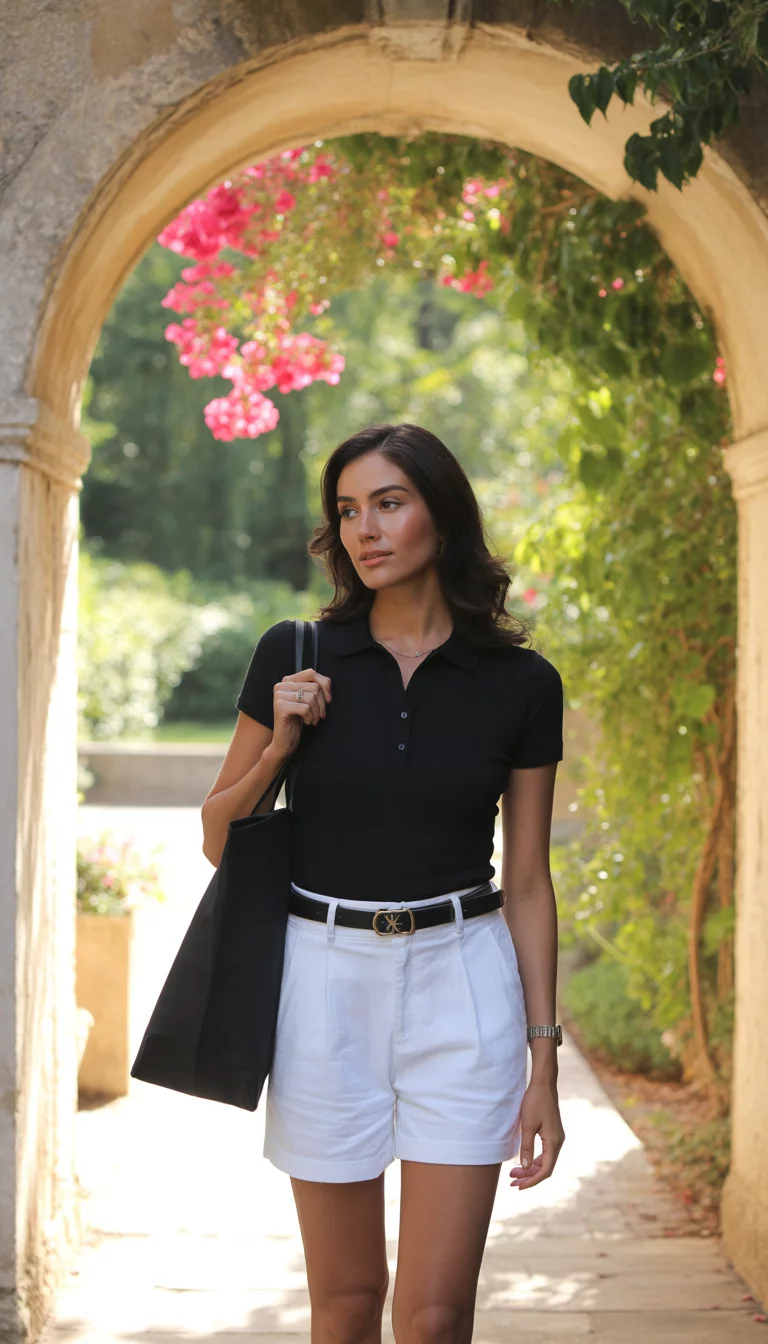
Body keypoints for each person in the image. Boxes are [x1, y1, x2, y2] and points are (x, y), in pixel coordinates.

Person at [201, 422, 566, 1344]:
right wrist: (283, 743)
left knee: (435, 1315)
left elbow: (526, 880)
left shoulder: (521, 683)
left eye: (389, 503)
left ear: (443, 516)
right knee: (348, 1305)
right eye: (349, 511)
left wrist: (545, 1064)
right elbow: (217, 837)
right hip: (323, 983)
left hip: (463, 982)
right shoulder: (295, 655)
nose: (365, 530)